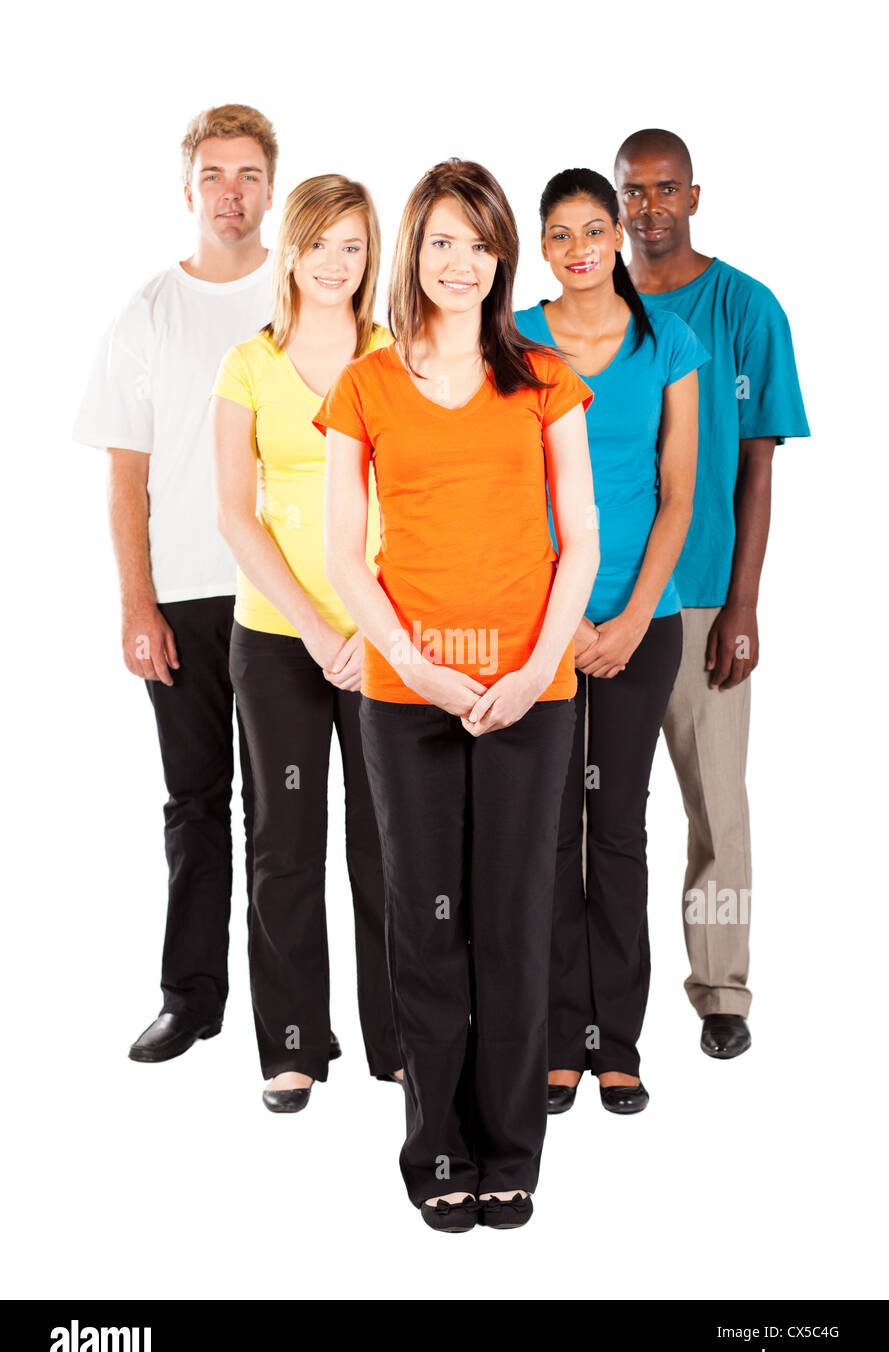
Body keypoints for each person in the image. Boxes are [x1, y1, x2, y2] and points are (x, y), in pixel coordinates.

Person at [314, 157, 598, 1232]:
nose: (460, 262)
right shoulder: (368, 385)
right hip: (405, 690)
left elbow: (582, 540)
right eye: (440, 240)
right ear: (412, 253)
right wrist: (424, 669)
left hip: (535, 690)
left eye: (478, 242)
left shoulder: (541, 374)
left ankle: (510, 1149)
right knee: (425, 924)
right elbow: (346, 557)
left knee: (517, 922)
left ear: (499, 256)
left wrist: (531, 672)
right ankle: (436, 1144)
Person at [71, 105, 285, 1064]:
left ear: (271, 186)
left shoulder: (306, 290)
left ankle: (293, 1014)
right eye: (213, 174)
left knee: (289, 812)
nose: (229, 191)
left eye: (247, 173)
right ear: (188, 188)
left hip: (290, 596)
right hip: (189, 598)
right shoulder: (147, 311)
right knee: (195, 802)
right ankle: (190, 997)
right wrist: (135, 605)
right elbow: (126, 472)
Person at [515, 168, 708, 1115]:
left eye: (595, 228)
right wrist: (564, 619)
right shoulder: (514, 338)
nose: (581, 246)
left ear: (616, 236)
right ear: (542, 247)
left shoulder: (665, 341)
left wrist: (629, 619)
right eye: (560, 233)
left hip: (644, 620)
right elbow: (504, 488)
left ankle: (616, 1045)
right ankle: (558, 1041)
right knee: (547, 831)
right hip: (537, 622)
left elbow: (679, 494)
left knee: (618, 830)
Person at [615, 128, 810, 1057]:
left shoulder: (745, 308)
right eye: (632, 191)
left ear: (693, 196)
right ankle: (588, 994)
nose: (648, 206)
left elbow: (757, 472)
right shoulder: (593, 309)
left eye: (664, 189)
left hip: (698, 603)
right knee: (592, 815)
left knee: (715, 809)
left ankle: (722, 990)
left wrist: (742, 606)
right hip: (605, 605)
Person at [210, 175, 402, 1111]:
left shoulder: (394, 357)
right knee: (285, 844)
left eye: (353, 247)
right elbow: (236, 517)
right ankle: (291, 1045)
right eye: (319, 243)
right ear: (290, 249)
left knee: (388, 845)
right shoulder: (246, 365)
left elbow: (417, 502)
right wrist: (322, 629)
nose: (334, 263)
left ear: (373, 261)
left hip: (383, 640)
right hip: (280, 639)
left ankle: (397, 1039)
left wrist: (373, 629)